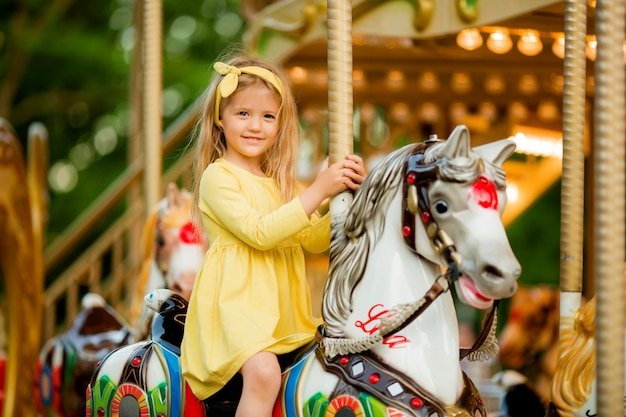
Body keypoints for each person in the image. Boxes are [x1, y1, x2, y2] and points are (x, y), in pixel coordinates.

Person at [180, 53, 366, 417]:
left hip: (280, 313)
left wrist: (343, 198)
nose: (255, 126)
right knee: (264, 375)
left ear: (280, 124)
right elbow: (261, 233)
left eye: (268, 116)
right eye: (243, 114)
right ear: (220, 118)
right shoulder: (219, 177)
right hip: (236, 312)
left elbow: (311, 240)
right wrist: (318, 189)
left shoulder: (281, 183)